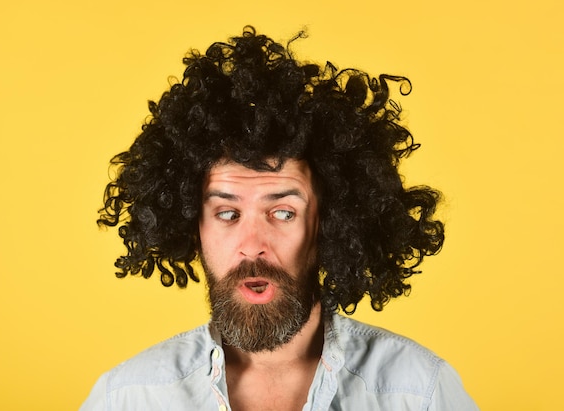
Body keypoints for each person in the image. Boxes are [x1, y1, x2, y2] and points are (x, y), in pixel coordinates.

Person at [81, 26, 478, 410]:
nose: (253, 242)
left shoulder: (419, 393)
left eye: (283, 212)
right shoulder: (127, 398)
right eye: (227, 213)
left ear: (327, 223)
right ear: (193, 226)